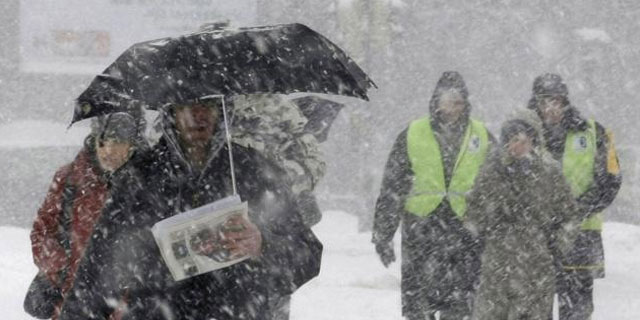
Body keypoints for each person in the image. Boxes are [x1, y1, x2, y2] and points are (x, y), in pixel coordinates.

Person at [58, 98, 323, 320]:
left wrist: (262, 245)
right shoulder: (140, 176)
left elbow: (307, 256)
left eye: (208, 105)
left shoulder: (253, 170)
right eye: (187, 106)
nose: (198, 115)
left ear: (223, 110)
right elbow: (98, 270)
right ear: (171, 113)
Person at [372, 71, 494, 320]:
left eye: (457, 100)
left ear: (466, 103)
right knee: (419, 307)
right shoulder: (413, 134)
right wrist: (383, 234)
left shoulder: (482, 136)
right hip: (422, 231)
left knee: (460, 307)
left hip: (465, 232)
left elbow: (498, 186)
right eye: (446, 99)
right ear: (435, 101)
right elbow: (392, 188)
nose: (452, 107)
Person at [465, 117, 582, 320]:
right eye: (511, 139)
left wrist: (556, 245)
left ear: (534, 142)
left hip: (536, 267)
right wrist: (477, 235)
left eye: (523, 140)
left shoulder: (549, 173)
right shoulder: (491, 171)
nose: (517, 146)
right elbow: (474, 210)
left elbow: (569, 216)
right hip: (496, 265)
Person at [526, 73, 622, 320]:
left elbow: (611, 179)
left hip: (581, 235)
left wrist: (577, 211)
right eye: (545, 101)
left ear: (565, 101)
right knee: (533, 310)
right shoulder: (520, 135)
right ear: (535, 103)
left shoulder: (593, 132)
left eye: (557, 100)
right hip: (534, 236)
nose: (551, 108)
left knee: (577, 311)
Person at [29, 112, 141, 320]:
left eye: (117, 142)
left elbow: (147, 258)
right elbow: (41, 231)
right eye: (102, 140)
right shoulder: (69, 178)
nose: (108, 150)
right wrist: (60, 268)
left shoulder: (145, 186)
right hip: (70, 305)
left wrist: (125, 306)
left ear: (132, 145)